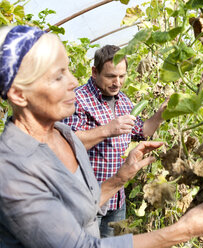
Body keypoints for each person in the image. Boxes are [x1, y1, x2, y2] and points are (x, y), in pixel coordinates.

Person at [0, 25, 203, 247]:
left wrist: (121, 177)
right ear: (19, 94)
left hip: (117, 200)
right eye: (58, 76)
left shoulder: (63, 134)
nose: (72, 82)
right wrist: (186, 229)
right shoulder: (5, 167)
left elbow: (85, 207)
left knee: (117, 231)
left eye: (68, 70)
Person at [63, 45, 167, 237]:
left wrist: (160, 115)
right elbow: (67, 144)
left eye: (122, 76)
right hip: (86, 198)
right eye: (111, 76)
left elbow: (140, 132)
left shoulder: (124, 101)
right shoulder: (78, 99)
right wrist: (107, 129)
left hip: (116, 199)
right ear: (95, 72)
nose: (117, 82)